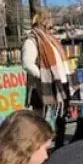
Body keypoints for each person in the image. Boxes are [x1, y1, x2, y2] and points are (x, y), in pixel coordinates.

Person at [21, 10, 75, 146]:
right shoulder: (32, 41)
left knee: (60, 117)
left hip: (57, 84)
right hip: (42, 85)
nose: (52, 27)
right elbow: (27, 63)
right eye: (49, 24)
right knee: (40, 119)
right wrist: (44, 76)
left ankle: (59, 145)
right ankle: (38, 148)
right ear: (43, 23)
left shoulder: (51, 40)